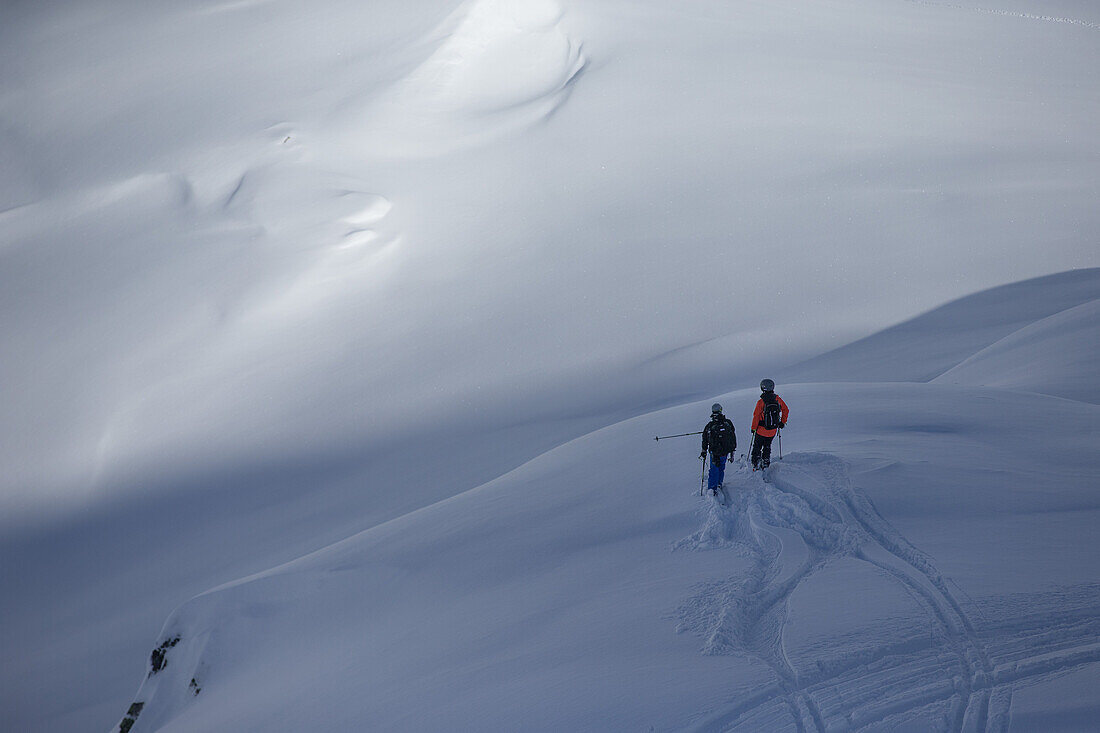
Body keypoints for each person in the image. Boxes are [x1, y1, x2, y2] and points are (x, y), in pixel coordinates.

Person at [750, 379, 789, 470]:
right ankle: (765, 462)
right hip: (772, 430)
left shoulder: (761, 402)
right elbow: (786, 410)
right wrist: (782, 422)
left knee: (757, 446)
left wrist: (753, 428)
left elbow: (756, 416)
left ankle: (755, 463)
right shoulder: (777, 399)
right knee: (767, 446)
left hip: (761, 430)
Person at [699, 403, 736, 494]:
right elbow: (733, 436)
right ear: (721, 410)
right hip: (725, 451)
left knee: (714, 469)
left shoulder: (710, 426)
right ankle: (719, 483)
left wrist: (704, 450)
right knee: (721, 467)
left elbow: (705, 439)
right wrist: (732, 450)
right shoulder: (728, 423)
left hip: (714, 452)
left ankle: (712, 489)